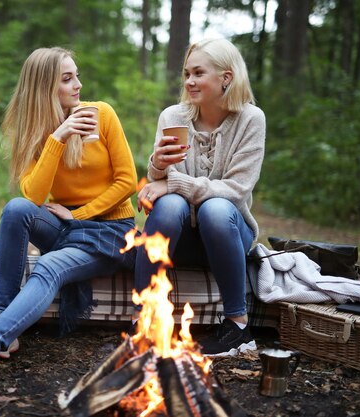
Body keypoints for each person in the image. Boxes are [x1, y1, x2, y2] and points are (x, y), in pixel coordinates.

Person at [0, 47, 138, 386]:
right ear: (45, 88)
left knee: (49, 266)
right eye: (67, 79)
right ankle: (6, 322)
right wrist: (59, 137)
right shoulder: (38, 133)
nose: (78, 85)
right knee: (16, 209)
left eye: (76, 75)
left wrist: (79, 214)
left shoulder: (102, 114)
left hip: (110, 230)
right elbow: (33, 197)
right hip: (67, 226)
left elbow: (127, 182)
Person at [134, 38, 266, 357]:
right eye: (186, 74)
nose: (189, 81)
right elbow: (160, 182)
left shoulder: (251, 119)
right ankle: (145, 322)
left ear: (226, 77)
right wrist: (158, 165)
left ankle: (237, 326)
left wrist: (171, 182)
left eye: (198, 73)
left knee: (216, 210)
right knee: (168, 205)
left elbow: (237, 189)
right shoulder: (172, 117)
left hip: (227, 235)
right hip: (181, 239)